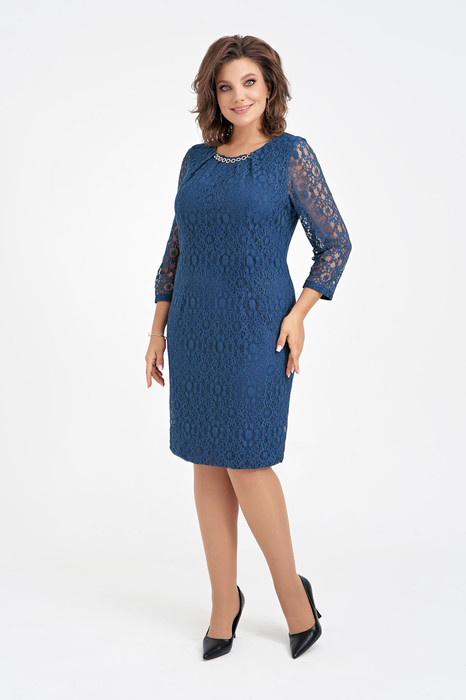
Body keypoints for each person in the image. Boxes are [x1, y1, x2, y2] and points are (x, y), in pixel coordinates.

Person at [145, 34, 352, 660]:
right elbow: (175, 250)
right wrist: (156, 328)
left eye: (249, 82)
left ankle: (293, 599)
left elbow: (335, 244)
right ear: (213, 94)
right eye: (225, 85)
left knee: (248, 462)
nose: (238, 95)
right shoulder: (196, 161)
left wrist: (299, 314)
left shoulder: (291, 155)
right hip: (193, 330)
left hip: (259, 328)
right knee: (206, 461)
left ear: (270, 87)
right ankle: (222, 602)